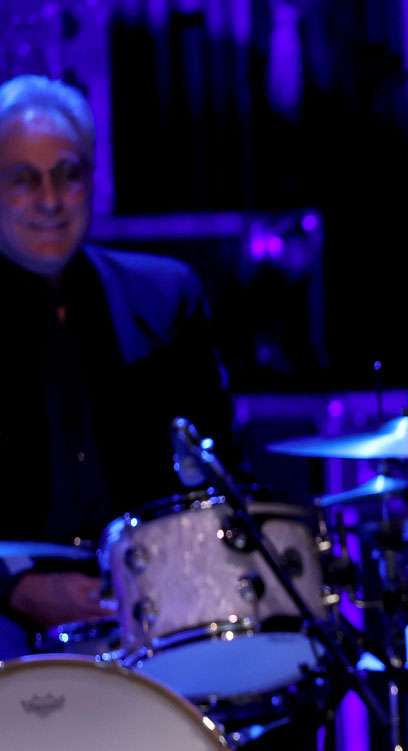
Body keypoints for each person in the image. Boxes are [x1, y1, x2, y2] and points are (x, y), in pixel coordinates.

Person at [0, 74, 233, 657]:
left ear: (92, 181)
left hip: (152, 600)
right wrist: (20, 588)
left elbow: (216, 469)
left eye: (67, 175)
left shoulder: (164, 295)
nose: (50, 200)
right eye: (23, 179)